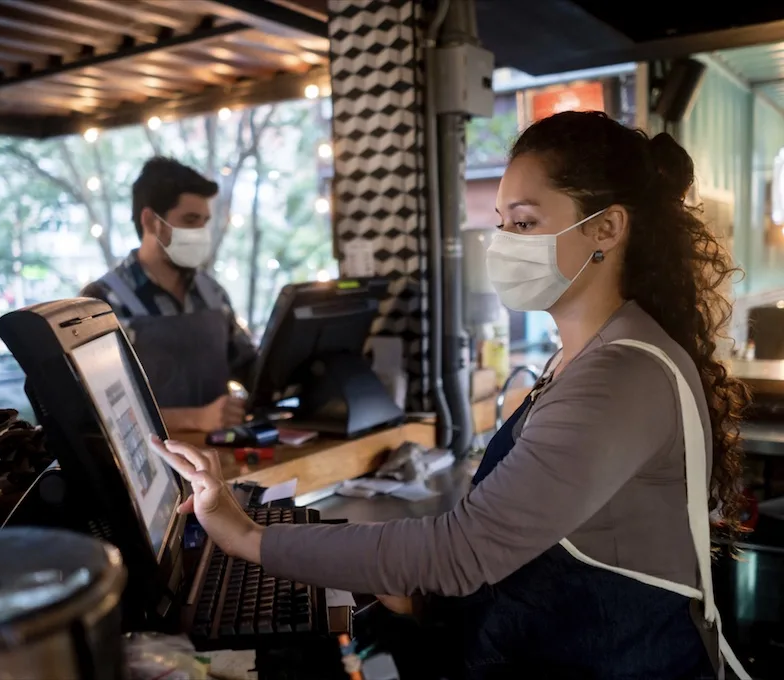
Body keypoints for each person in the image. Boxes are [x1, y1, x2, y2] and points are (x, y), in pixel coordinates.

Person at [152, 112, 751, 678]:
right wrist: (412, 587)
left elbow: (463, 551)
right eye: (501, 223)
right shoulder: (587, 355)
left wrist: (248, 538)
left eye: (524, 222)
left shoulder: (618, 376)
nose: (504, 242)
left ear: (607, 227)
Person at [82, 157, 254, 433]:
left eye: (204, 221)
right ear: (151, 221)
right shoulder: (102, 302)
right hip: (146, 471)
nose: (200, 232)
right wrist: (195, 419)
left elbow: (249, 369)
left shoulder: (213, 294)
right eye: (190, 220)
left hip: (222, 464)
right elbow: (94, 411)